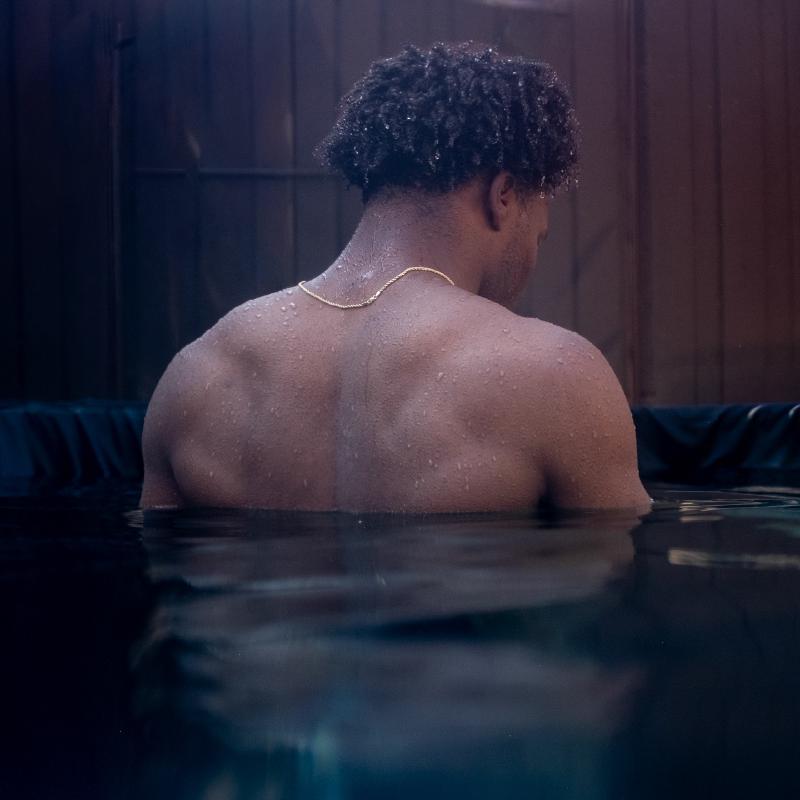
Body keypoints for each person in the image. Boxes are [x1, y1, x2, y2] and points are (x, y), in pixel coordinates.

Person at [140, 42, 650, 513]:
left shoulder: (199, 374)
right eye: (539, 236)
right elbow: (606, 599)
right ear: (504, 196)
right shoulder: (557, 375)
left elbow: (166, 594)